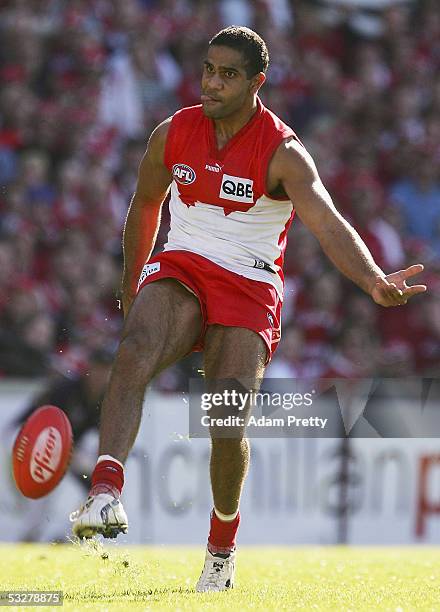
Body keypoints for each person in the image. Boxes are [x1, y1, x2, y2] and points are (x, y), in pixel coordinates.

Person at [70, 26, 427, 591]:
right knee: (134, 346)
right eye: (208, 69)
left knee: (225, 418)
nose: (211, 82)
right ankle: (106, 491)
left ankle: (221, 549)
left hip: (250, 281)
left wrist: (372, 279)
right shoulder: (173, 132)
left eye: (227, 74)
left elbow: (327, 221)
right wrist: (133, 284)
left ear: (256, 83)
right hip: (183, 261)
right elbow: (144, 206)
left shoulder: (283, 152)